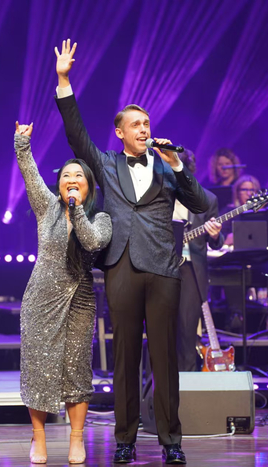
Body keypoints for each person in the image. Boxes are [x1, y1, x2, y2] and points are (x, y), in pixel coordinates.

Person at [54, 39, 209, 464]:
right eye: (135, 124)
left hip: (162, 269)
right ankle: (125, 438)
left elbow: (202, 204)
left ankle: (171, 441)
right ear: (120, 132)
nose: (143, 129)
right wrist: (64, 81)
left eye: (147, 123)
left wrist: (177, 165)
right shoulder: (106, 164)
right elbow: (76, 135)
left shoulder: (167, 167)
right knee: (125, 357)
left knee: (165, 357)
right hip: (120, 265)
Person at [14, 121, 112, 464]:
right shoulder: (46, 207)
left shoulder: (101, 218)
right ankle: (39, 437)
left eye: (78, 176)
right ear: (59, 183)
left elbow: (92, 242)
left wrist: (77, 209)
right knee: (38, 367)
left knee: (76, 369)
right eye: (66, 175)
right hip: (41, 297)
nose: (71, 179)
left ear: (89, 185)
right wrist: (22, 143)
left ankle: (76, 438)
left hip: (79, 300)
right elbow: (29, 173)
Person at [173, 149, 223, 372]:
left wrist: (215, 234)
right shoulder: (157, 198)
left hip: (191, 269)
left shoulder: (207, 199)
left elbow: (216, 243)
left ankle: (187, 382)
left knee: (187, 329)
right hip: (160, 267)